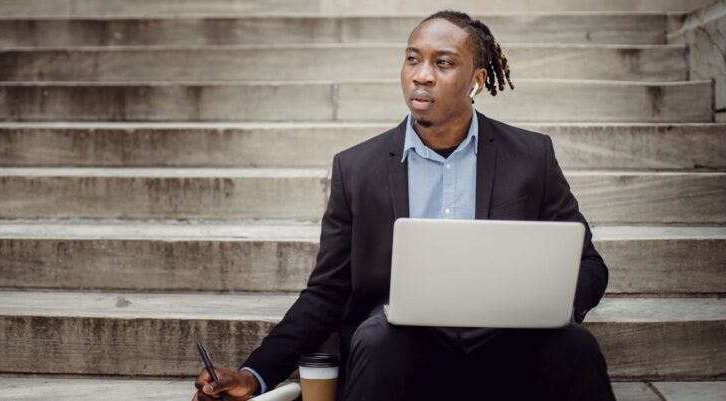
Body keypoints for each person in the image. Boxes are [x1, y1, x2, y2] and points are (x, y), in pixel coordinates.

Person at [193, 10, 615, 401]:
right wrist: (255, 374)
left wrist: (549, 309)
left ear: (477, 80)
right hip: (401, 350)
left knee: (575, 345)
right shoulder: (357, 169)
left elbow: (589, 265)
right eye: (413, 59)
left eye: (443, 63)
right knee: (378, 337)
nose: (422, 76)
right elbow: (327, 292)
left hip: (509, 344)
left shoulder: (530, 156)